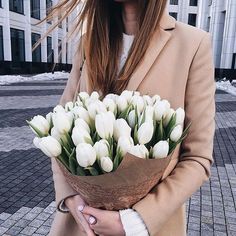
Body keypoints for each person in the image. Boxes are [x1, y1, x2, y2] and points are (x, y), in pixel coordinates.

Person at [46, 0, 216, 235]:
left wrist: (134, 221)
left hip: (150, 226)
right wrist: (70, 197)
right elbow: (59, 128)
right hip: (81, 223)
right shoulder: (89, 41)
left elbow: (197, 157)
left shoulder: (192, 44)